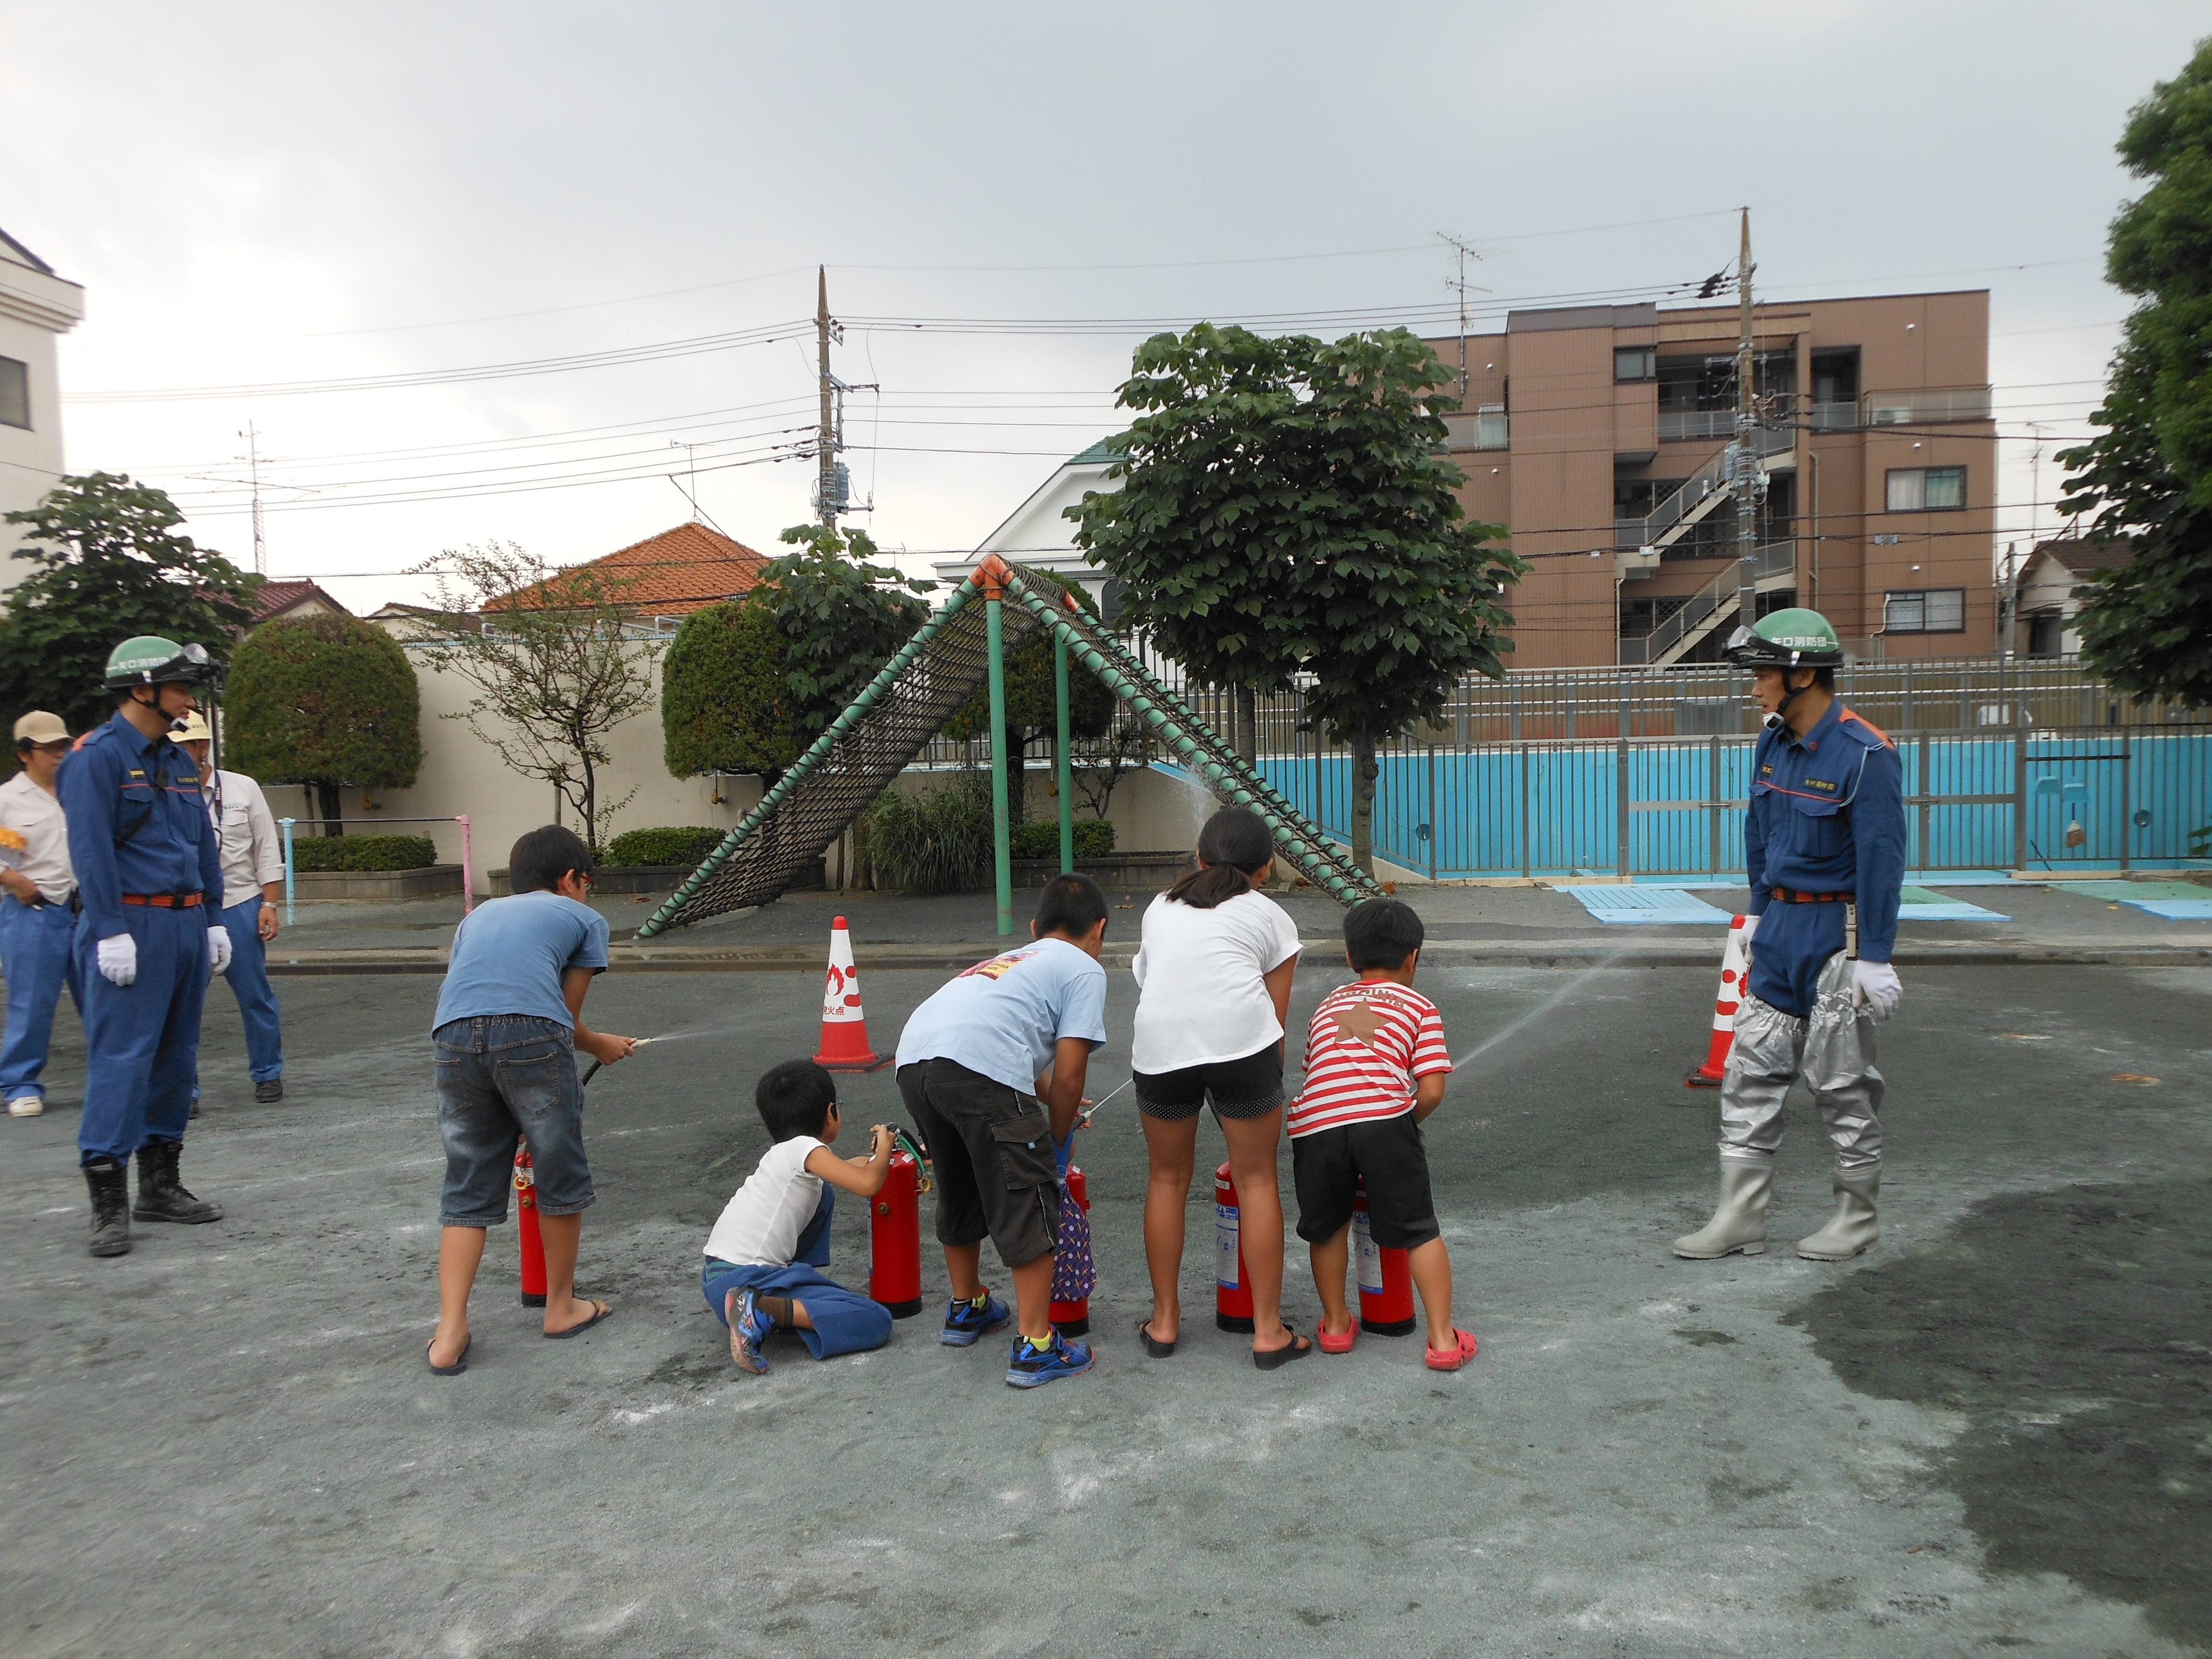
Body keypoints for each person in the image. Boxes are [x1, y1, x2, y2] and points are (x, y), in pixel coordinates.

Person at [1674, 609, 1905, 1265]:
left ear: (1802, 676)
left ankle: (1856, 1219)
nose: (1754, 689)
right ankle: (1739, 1218)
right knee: (1749, 1073)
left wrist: (1876, 957)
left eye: (1763, 675)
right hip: (1778, 930)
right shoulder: (1772, 744)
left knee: (1842, 1084)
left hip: (1837, 936)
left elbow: (1882, 861)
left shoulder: (1867, 754)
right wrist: (1755, 915)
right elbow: (1760, 833)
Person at [425, 825, 636, 1375]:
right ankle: (561, 1307)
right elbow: (562, 1018)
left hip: (452, 1035)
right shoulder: (585, 920)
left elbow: (480, 996)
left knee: (469, 1177)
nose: (587, 893)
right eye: (587, 883)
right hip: (532, 1035)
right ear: (570, 879)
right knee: (557, 1168)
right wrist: (601, 1044)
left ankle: (450, 1330)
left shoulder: (476, 918)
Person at [893, 873, 1107, 1390]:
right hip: (976, 1069)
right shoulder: (1084, 967)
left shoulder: (1011, 960)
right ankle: (1036, 1345)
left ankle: (967, 1306)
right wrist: (1056, 1144)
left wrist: (1047, 1102)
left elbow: (1006, 1044)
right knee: (1027, 1195)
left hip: (915, 1062)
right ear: (1099, 930)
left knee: (960, 1184)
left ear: (1035, 928)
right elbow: (1070, 1073)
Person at [58, 638, 231, 1258]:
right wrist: (109, 929)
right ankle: (108, 1202)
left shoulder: (178, 760)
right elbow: (91, 851)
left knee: (177, 1058)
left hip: (184, 922)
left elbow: (202, 844)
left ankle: (160, 1185)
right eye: (180, 687)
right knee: (123, 1060)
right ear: (141, 689)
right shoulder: (95, 759)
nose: (189, 700)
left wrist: (214, 917)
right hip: (130, 923)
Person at [1128, 805, 1307, 1367]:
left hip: (1161, 1048)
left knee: (1166, 1179)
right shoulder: (1272, 917)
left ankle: (1163, 1323)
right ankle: (1268, 1332)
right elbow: (1274, 1023)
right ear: (1267, 866)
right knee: (1256, 1181)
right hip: (1242, 1049)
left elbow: (1154, 982)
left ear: (1200, 859)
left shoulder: (1160, 907)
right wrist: (1265, 1095)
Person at [1287, 898, 1474, 1370]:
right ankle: (1443, 1340)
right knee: (1419, 1230)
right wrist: (1401, 1127)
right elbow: (1431, 1090)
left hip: (1316, 1125)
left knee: (1327, 1228)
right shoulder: (1421, 1007)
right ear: (1413, 958)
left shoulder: (1329, 1005)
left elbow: (1317, 1075)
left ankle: (1335, 1326)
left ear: (1351, 957)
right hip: (1384, 1123)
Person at [702, 1059, 897, 1374]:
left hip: (718, 1282)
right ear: (830, 1113)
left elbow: (854, 1168)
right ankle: (762, 1309)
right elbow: (867, 1184)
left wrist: (892, 1158)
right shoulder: (806, 1148)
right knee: (875, 1320)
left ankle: (759, 1308)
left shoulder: (784, 1154)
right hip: (747, 1279)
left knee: (823, 1190)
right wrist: (886, 1148)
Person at [174, 713, 288, 1104]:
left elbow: (266, 847)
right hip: (187, 907)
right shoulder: (163, 791)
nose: (186, 753)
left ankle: (268, 1073)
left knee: (255, 995)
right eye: (177, 747)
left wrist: (269, 902)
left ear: (204, 747)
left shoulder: (242, 787)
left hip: (239, 902)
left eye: (191, 745)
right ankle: (182, 1089)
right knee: (182, 1005)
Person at [0, 712, 83, 1118]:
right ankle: (20, 1083)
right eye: (47, 748)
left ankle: (118, 1077)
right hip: (31, 909)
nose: (58, 754)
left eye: (62, 746)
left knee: (104, 998)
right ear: (24, 754)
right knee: (31, 1001)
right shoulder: (7, 799)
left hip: (84, 908)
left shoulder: (80, 790)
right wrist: (11, 879)